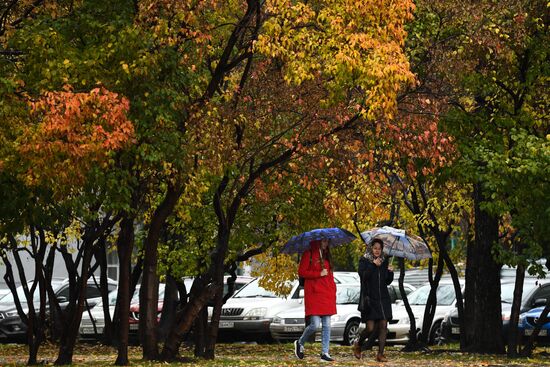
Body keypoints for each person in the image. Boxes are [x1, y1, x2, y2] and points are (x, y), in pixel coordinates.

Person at [294, 238, 337, 362]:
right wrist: (318, 274)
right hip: (314, 294)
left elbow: (329, 275)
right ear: (317, 241)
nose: (326, 243)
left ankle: (325, 352)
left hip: (327, 294)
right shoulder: (309, 254)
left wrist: (333, 289)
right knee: (314, 325)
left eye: (327, 241)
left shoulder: (327, 255)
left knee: (327, 325)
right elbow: (302, 272)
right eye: (323, 241)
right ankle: (300, 342)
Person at [352, 238, 394, 362]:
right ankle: (358, 343)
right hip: (370, 299)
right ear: (371, 248)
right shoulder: (364, 260)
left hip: (383, 299)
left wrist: (390, 272)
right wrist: (373, 265)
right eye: (375, 248)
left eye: (379, 249)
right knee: (370, 328)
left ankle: (380, 354)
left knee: (383, 325)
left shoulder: (384, 261)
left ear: (381, 250)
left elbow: (387, 281)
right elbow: (363, 277)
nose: (377, 251)